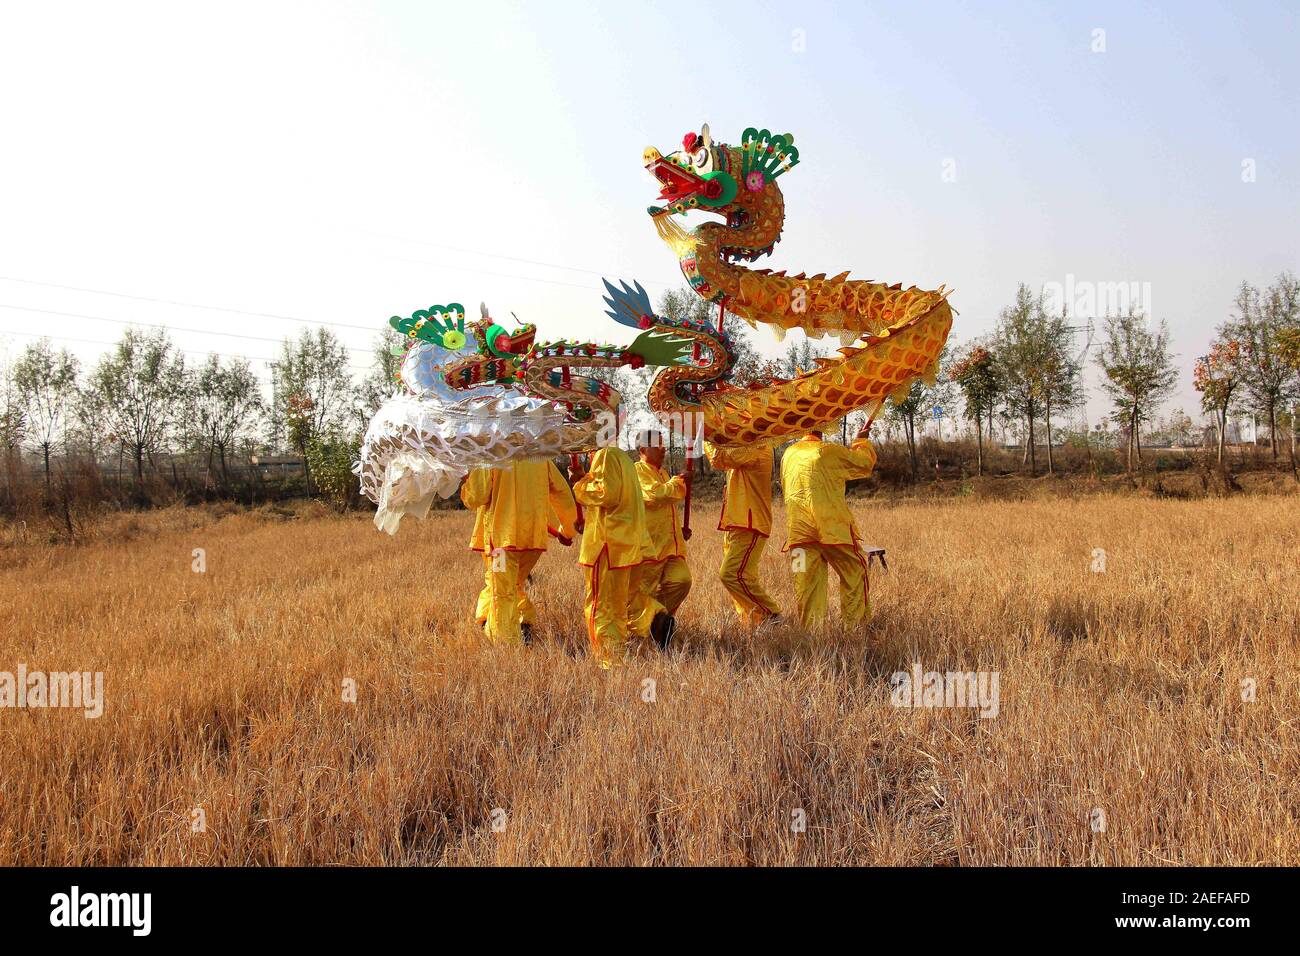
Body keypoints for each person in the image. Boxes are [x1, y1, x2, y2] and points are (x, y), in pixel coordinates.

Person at [460, 458, 577, 645]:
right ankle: (520, 622)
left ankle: (505, 644)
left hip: (501, 544)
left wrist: (466, 479)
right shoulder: (539, 455)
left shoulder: (492, 454)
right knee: (514, 583)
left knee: (502, 591)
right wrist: (568, 530)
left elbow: (476, 497)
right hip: (533, 540)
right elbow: (561, 492)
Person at [779, 421, 878, 630]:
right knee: (855, 572)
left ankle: (811, 638)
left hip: (798, 536)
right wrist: (861, 440)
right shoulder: (828, 451)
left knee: (804, 587)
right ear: (822, 426)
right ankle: (854, 630)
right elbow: (863, 464)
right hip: (833, 532)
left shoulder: (787, 455)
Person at [570, 445, 647, 667]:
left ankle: (608, 662)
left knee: (601, 607)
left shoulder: (606, 455)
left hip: (605, 546)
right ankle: (617, 657)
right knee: (616, 608)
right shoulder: (624, 458)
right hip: (622, 546)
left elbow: (607, 494)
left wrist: (579, 482)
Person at [703, 440, 781, 627]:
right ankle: (752, 624)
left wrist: (705, 434)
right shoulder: (741, 445)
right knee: (745, 577)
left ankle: (772, 614)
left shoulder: (758, 444)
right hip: (736, 521)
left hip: (750, 521)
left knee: (731, 574)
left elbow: (719, 458)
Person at [629, 431, 692, 649]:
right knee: (641, 594)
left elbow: (666, 503)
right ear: (643, 450)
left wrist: (678, 529)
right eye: (658, 445)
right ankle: (646, 632)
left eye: (664, 445)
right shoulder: (637, 471)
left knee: (682, 581)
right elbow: (656, 496)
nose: (663, 449)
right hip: (650, 548)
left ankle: (658, 622)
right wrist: (680, 481)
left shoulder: (663, 473)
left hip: (671, 547)